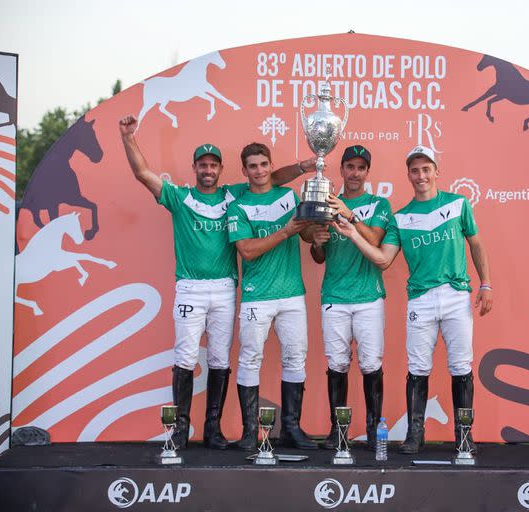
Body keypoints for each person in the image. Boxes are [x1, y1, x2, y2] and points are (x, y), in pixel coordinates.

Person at [119, 115, 314, 450]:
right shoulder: (179, 197)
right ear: (195, 168)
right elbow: (142, 174)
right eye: (202, 165)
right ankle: (180, 429)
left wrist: (304, 167)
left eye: (213, 165)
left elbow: (270, 178)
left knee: (220, 359)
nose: (208, 170)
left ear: (221, 169)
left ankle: (213, 429)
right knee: (185, 355)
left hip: (225, 287)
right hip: (191, 288)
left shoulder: (232, 195)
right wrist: (128, 137)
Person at [332, 145, 493, 455]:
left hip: (456, 295)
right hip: (420, 299)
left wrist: (486, 284)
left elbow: (476, 244)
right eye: (415, 170)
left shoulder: (458, 204)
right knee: (418, 368)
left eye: (426, 169)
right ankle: (415, 435)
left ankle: (464, 435)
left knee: (461, 366)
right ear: (408, 174)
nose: (421, 175)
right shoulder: (401, 217)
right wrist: (352, 232)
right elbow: (382, 259)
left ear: (436, 171)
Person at [227, 142, 318, 450]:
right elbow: (247, 251)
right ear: (245, 171)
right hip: (257, 295)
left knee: (295, 358)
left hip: (292, 293)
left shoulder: (288, 196)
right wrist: (286, 231)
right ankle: (250, 432)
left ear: (270, 165)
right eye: (253, 166)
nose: (259, 170)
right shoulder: (238, 207)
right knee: (250, 359)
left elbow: (303, 233)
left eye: (264, 164)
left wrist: (313, 226)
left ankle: (291, 428)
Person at [308, 145, 392, 450]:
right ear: (341, 170)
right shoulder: (327, 203)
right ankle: (338, 430)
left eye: (360, 168)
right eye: (349, 167)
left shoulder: (379, 204)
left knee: (371, 364)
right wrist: (317, 244)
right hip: (334, 296)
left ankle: (372, 430)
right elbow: (319, 255)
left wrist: (350, 215)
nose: (354, 173)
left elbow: (376, 240)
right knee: (337, 364)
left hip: (368, 297)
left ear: (367, 172)